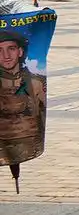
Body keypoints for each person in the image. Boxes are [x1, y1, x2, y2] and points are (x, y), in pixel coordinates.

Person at [0, 29, 45, 181]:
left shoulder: (35, 83)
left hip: (27, 143)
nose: (6, 56)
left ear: (20, 52)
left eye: (11, 49)